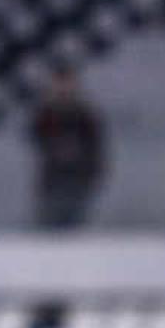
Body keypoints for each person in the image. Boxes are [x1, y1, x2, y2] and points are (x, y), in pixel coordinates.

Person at [28, 65, 106, 228]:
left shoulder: (85, 116)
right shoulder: (46, 115)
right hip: (52, 181)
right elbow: (36, 140)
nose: (63, 89)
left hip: (79, 181)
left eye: (67, 84)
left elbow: (96, 149)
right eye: (59, 85)